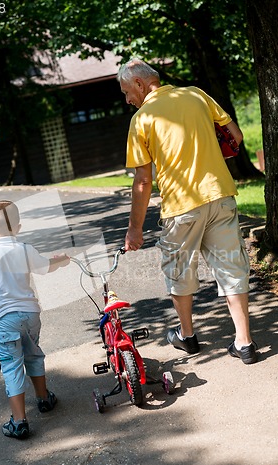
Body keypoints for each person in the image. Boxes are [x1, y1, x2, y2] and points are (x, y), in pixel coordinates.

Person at [117, 57, 257, 365]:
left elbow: (142, 181)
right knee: (231, 268)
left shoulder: (142, 120)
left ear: (140, 84)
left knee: (179, 271)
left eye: (127, 91)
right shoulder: (196, 94)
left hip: (182, 206)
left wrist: (134, 228)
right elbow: (236, 136)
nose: (128, 100)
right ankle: (244, 343)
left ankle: (188, 336)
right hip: (220, 194)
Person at [0, 200, 70, 439]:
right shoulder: (25, 249)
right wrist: (61, 259)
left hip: (5, 320)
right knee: (33, 354)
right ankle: (44, 398)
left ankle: (19, 422)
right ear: (18, 228)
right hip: (30, 314)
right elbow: (46, 267)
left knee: (12, 365)